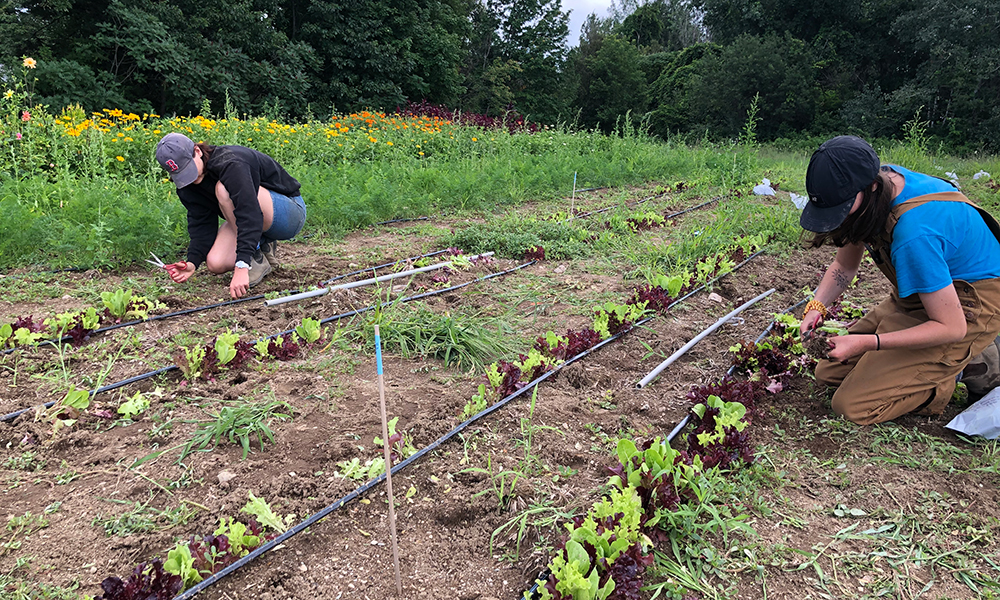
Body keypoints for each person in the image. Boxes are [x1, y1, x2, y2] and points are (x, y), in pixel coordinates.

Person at [799, 135, 1000, 425]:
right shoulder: (879, 187)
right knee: (828, 372)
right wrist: (816, 306)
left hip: (968, 308)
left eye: (842, 208)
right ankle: (938, 361)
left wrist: (867, 343)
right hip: (924, 297)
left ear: (870, 187)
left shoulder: (914, 233)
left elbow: (951, 326)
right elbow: (844, 264)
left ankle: (956, 370)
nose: (839, 218)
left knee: (851, 406)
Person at [154, 133, 306, 299]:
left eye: (189, 168)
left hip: (289, 212)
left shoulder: (231, 162)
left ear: (197, 151)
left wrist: (242, 265)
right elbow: (201, 223)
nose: (189, 177)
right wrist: (192, 262)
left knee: (223, 190)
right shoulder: (187, 186)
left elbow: (249, 212)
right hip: (250, 217)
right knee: (215, 263)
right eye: (181, 174)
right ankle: (262, 245)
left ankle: (253, 255)